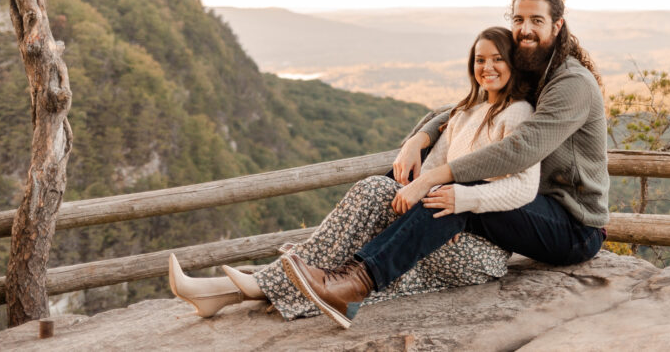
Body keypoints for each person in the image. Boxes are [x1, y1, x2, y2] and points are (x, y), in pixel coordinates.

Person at [282, 0, 609, 325]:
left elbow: (520, 150)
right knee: (423, 188)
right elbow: (466, 106)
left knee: (455, 194)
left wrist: (434, 179)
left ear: (557, 26)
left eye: (536, 21)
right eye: (519, 19)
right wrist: (418, 140)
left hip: (573, 226)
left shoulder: (571, 83)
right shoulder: (531, 64)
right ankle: (334, 275)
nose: (525, 29)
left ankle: (356, 284)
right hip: (531, 206)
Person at [168, 26, 537, 327]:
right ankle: (219, 293)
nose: (487, 67)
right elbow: (428, 173)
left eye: (497, 59)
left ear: (513, 66)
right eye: (480, 59)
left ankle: (241, 286)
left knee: (349, 259)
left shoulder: (517, 114)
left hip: (475, 248)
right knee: (371, 202)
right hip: (434, 224)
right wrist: (415, 162)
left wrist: (456, 210)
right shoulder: (465, 113)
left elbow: (512, 187)